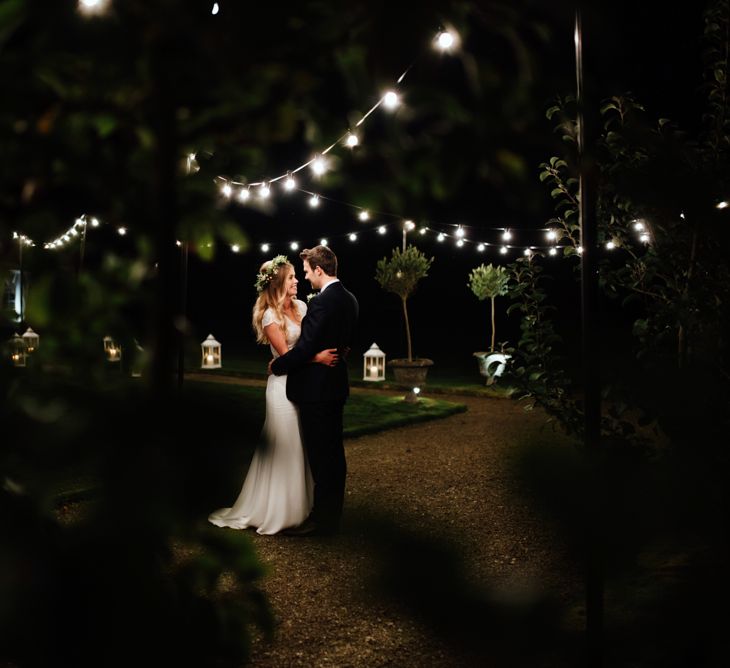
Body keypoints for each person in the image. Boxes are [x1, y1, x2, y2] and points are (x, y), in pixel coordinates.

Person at [208, 256, 338, 535]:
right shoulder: (269, 316)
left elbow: (310, 340)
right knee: (284, 446)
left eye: (295, 276)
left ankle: (301, 508)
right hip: (282, 389)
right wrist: (318, 358)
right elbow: (288, 356)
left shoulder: (303, 307)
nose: (296, 281)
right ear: (279, 283)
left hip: (303, 384)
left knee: (301, 446)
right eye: (291, 277)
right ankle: (277, 511)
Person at [270, 245, 359, 536]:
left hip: (316, 391)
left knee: (321, 457)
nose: (306, 278)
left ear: (319, 270)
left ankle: (321, 521)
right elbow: (342, 342)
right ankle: (332, 516)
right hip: (336, 387)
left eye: (307, 272)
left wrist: (279, 366)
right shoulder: (350, 299)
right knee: (335, 453)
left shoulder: (322, 303)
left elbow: (307, 347)